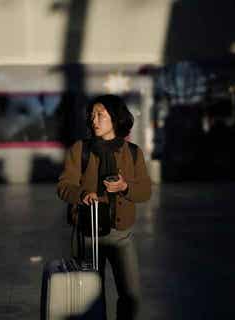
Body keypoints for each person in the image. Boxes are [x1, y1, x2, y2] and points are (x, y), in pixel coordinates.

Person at [57, 94, 152, 319]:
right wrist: (82, 195)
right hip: (87, 234)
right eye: (92, 116)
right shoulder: (80, 150)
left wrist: (124, 186)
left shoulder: (133, 152)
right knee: (90, 297)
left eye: (101, 115)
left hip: (121, 235)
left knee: (130, 295)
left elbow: (145, 191)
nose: (94, 120)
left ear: (116, 118)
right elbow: (63, 186)